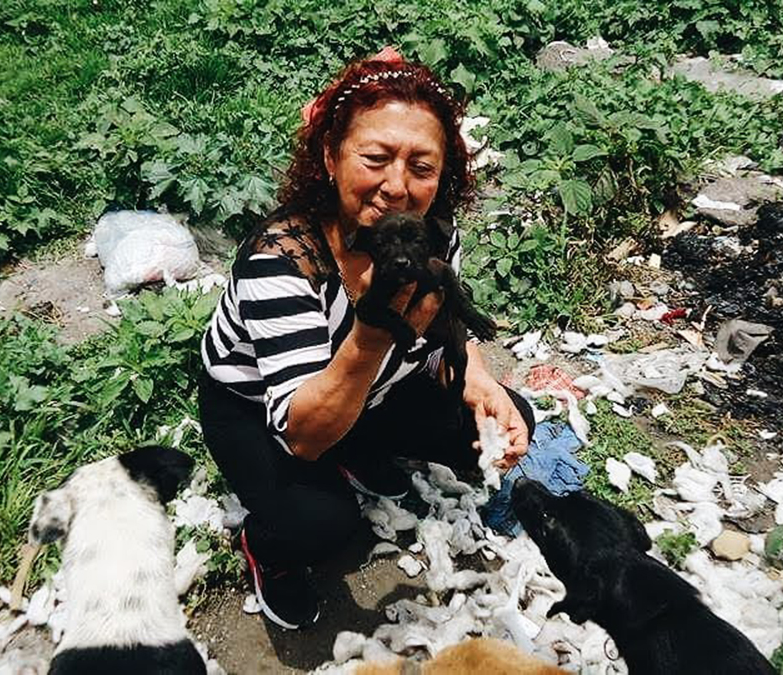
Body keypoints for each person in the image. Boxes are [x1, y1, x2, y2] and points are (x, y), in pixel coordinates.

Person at [198, 48, 535, 630]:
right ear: (331, 156)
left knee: (498, 417)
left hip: (371, 388)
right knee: (321, 523)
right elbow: (303, 435)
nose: (397, 187)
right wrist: (373, 334)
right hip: (264, 410)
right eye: (375, 158)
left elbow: (443, 326)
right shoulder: (282, 262)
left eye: (422, 168)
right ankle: (268, 552)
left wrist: (476, 379)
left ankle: (360, 448)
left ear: (443, 176)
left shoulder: (431, 235)